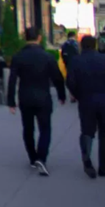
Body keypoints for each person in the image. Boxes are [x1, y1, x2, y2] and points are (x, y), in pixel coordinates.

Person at [7, 27, 66, 176]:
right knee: (45, 128)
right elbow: (57, 77)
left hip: (25, 97)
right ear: (39, 38)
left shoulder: (18, 56)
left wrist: (11, 101)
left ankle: (33, 157)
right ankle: (41, 156)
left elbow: (12, 79)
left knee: (28, 129)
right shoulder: (47, 57)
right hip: (43, 97)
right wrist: (61, 94)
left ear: (25, 38)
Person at [66, 35, 105, 179]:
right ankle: (103, 167)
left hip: (86, 101)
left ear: (81, 46)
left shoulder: (76, 61)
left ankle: (87, 162)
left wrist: (78, 95)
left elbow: (70, 82)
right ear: (95, 45)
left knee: (87, 132)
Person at [60, 30, 80, 102]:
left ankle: (72, 95)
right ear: (74, 36)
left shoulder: (64, 44)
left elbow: (62, 55)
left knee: (70, 79)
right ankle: (78, 94)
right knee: (78, 78)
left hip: (68, 64)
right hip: (77, 64)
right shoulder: (77, 43)